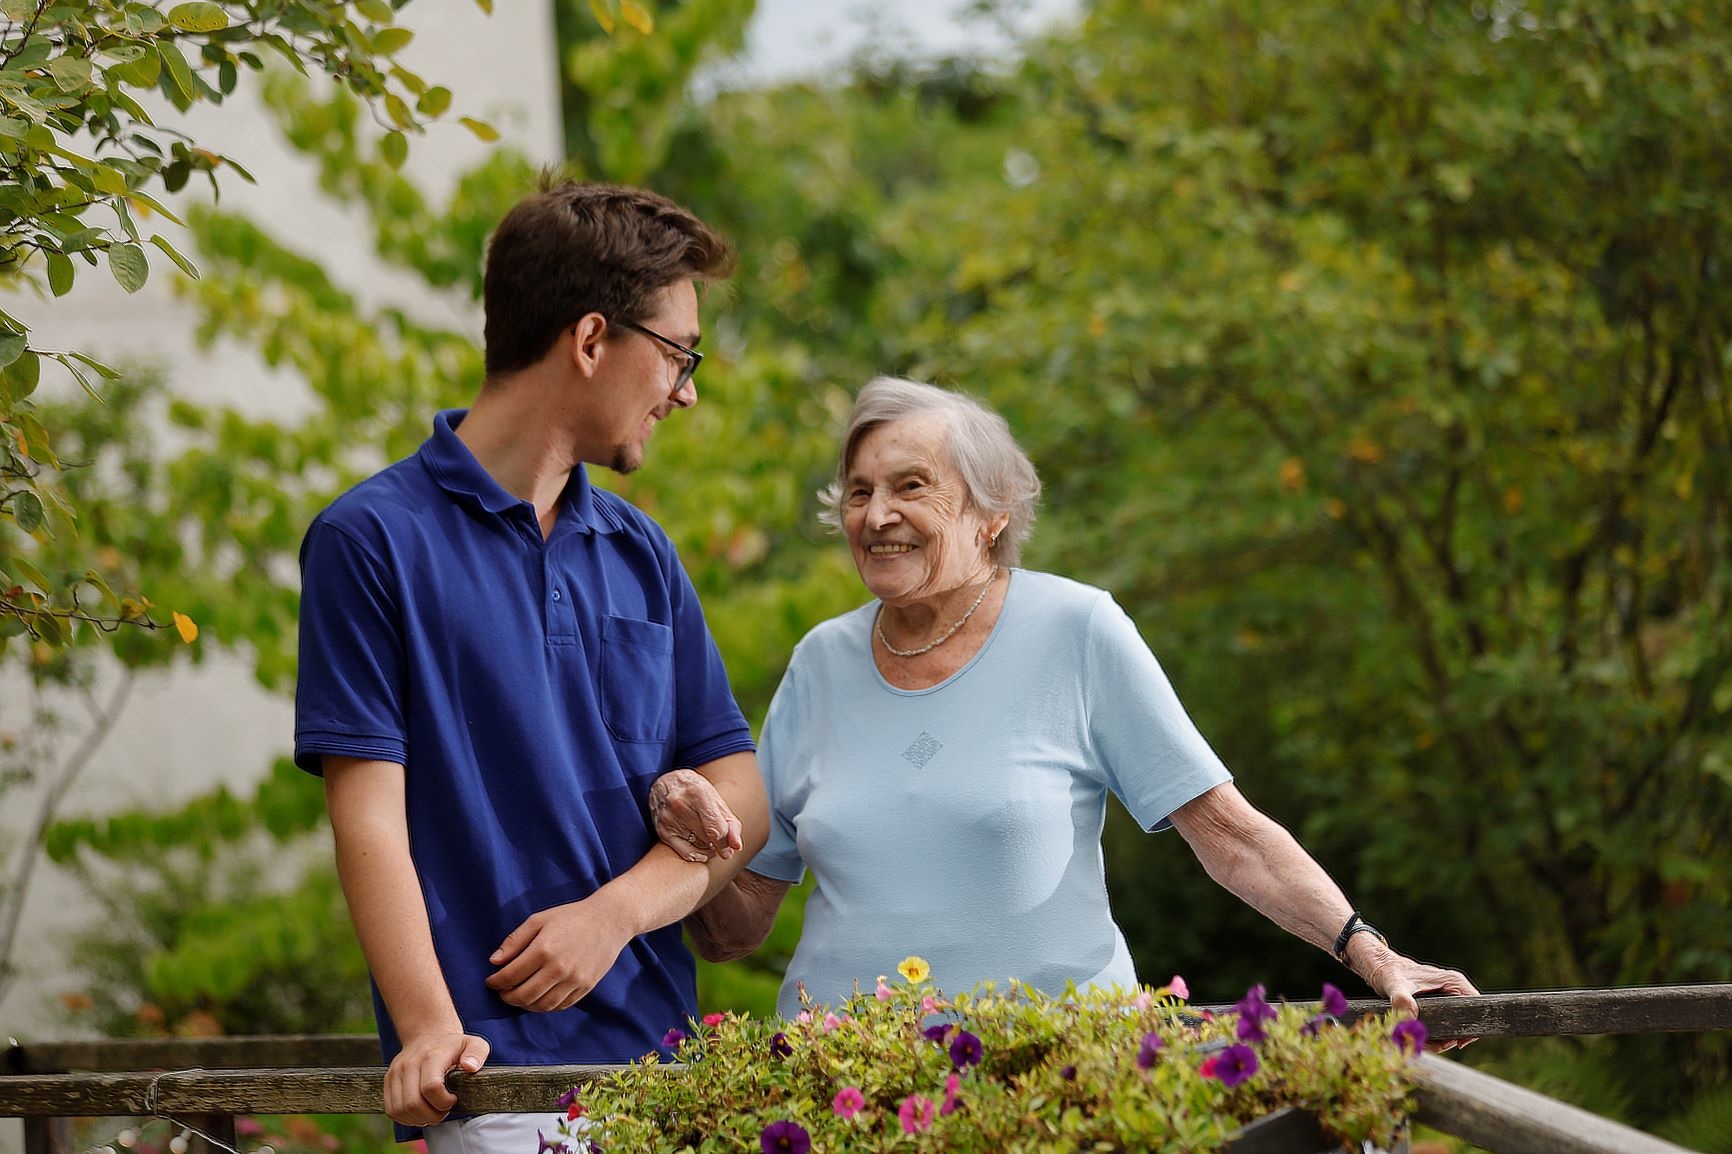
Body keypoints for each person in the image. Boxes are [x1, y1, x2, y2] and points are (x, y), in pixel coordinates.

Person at [654, 376, 1477, 1024]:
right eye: (861, 491)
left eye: (911, 486)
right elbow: (735, 928)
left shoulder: (1076, 629)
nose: (878, 515)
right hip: (844, 1095)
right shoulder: (820, 662)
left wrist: (1373, 955)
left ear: (990, 513)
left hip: (1050, 1084)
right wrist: (682, 828)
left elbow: (1230, 835)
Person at [293, 179, 768, 1150]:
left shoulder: (641, 551)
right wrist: (427, 1027)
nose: (686, 390)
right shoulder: (372, 540)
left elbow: (742, 794)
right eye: (679, 354)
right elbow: (367, 815)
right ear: (591, 341)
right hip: (493, 1080)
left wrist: (614, 913)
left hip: (671, 1072)